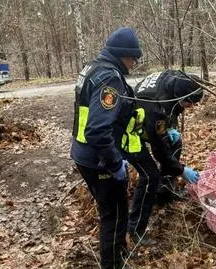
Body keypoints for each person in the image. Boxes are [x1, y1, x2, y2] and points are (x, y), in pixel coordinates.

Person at [70, 27, 142, 269]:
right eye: (134, 58)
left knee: (110, 211)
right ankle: (113, 264)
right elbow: (97, 130)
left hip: (83, 154)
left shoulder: (92, 68)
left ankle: (119, 256)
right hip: (99, 159)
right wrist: (114, 163)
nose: (134, 64)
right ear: (124, 54)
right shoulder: (109, 78)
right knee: (114, 216)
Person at [126, 70, 204, 245]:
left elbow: (173, 110)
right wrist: (182, 170)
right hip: (130, 133)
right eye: (189, 103)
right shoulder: (156, 108)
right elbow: (159, 151)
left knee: (175, 142)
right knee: (149, 176)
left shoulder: (174, 78)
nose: (190, 108)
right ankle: (135, 229)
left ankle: (166, 190)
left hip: (146, 120)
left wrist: (170, 127)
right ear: (180, 96)